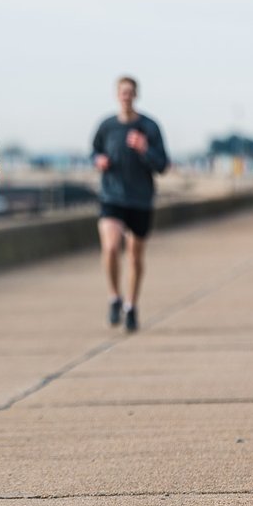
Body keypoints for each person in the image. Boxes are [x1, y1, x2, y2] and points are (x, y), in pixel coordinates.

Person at [91, 76, 169, 332]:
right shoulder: (106, 126)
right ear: (117, 95)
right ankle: (114, 297)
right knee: (111, 247)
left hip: (140, 200)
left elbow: (162, 165)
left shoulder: (149, 127)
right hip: (111, 197)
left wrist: (145, 148)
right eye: (122, 92)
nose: (126, 96)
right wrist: (99, 160)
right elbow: (94, 151)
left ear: (136, 95)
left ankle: (131, 305)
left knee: (135, 256)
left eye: (130, 92)